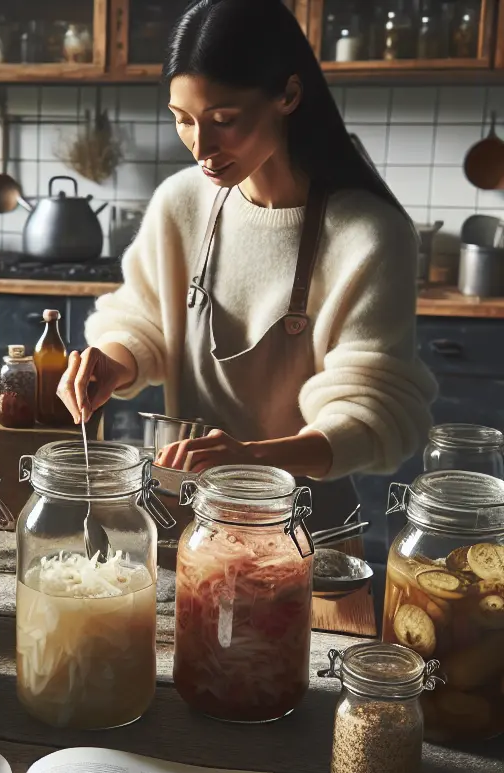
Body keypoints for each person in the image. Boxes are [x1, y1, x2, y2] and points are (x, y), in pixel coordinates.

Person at [58, 0, 436, 529]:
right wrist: (110, 362)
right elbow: (143, 320)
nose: (201, 147)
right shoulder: (181, 203)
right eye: (183, 121)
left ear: (289, 94)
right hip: (188, 516)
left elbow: (373, 416)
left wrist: (256, 457)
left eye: (223, 120)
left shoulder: (369, 236)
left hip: (306, 527)